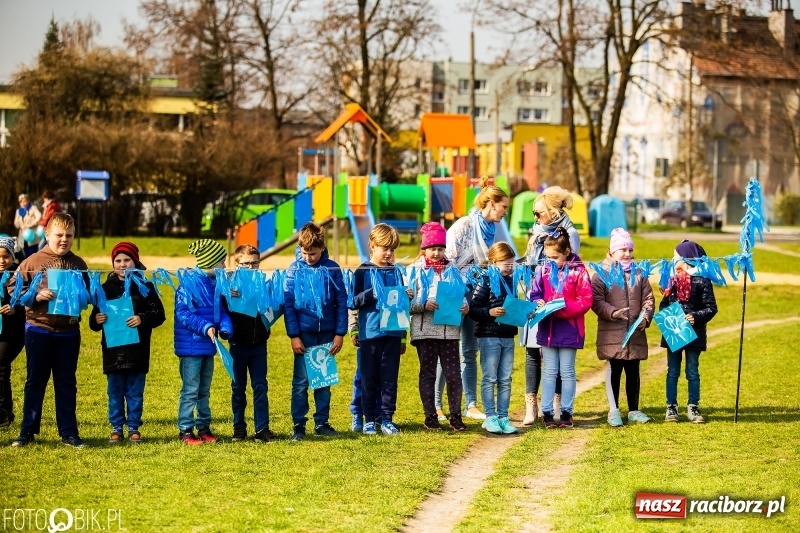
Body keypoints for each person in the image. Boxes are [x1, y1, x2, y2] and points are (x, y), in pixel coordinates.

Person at [10, 213, 90, 447]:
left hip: (69, 333)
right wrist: (34, 295)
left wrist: (83, 296)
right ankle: (27, 431)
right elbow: (14, 290)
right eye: (59, 235)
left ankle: (69, 432)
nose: (64, 240)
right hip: (39, 330)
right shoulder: (32, 261)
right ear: (47, 235)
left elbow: (89, 293)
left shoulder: (79, 264)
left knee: (66, 382)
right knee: (35, 381)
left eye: (69, 235)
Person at [442, 176, 510, 420]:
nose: (505, 212)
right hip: (452, 292)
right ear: (491, 204)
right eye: (503, 207)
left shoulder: (490, 230)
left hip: (475, 295)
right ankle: (438, 406)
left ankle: (470, 404)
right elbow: (446, 261)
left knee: (469, 350)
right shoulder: (464, 225)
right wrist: (467, 277)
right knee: (447, 348)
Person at [89, 242, 166, 443]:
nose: (123, 264)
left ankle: (133, 427)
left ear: (135, 261)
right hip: (113, 352)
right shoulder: (104, 289)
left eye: (127, 260)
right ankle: (116, 427)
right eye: (118, 261)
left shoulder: (146, 287)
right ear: (113, 264)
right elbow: (94, 320)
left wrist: (142, 318)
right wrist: (96, 319)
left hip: (137, 352)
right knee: (114, 391)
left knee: (134, 391)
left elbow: (159, 314)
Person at [521, 186, 581, 425]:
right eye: (534, 214)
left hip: (556, 302)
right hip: (536, 297)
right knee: (532, 350)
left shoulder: (568, 233)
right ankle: (531, 403)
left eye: (540, 213)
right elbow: (528, 262)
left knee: (555, 351)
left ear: (554, 211)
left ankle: (558, 403)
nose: (536, 218)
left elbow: (571, 268)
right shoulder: (537, 232)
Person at [283, 222, 347, 441]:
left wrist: (340, 333)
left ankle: (322, 423)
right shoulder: (294, 270)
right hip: (304, 334)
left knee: (323, 380)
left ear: (322, 248)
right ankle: (298, 426)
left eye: (312, 253)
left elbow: (341, 301)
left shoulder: (332, 268)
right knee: (300, 383)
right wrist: (294, 336)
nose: (308, 257)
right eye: (304, 253)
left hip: (327, 334)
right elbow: (289, 306)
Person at [529, 227, 592, 429]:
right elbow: (535, 292)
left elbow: (586, 300)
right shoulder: (543, 269)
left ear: (566, 252)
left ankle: (566, 412)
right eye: (547, 257)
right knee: (549, 371)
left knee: (567, 371)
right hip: (548, 329)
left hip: (569, 329)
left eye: (555, 257)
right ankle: (547, 412)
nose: (550, 260)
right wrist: (538, 303)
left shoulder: (578, 271)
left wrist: (561, 310)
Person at [590, 229, 654, 427]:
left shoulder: (640, 273)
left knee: (633, 371)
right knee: (614, 370)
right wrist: (613, 312)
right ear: (611, 250)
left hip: (635, 333)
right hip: (613, 332)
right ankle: (613, 409)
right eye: (622, 249)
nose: (627, 253)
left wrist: (646, 316)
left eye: (629, 249)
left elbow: (648, 299)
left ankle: (633, 409)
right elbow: (596, 301)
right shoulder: (601, 273)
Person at [410, 222, 469, 432]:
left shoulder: (453, 270)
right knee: (428, 373)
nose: (436, 253)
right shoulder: (414, 271)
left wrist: (465, 305)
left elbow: (462, 294)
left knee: (454, 374)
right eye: (432, 248)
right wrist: (422, 304)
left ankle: (456, 416)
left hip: (450, 331)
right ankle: (430, 416)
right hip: (425, 331)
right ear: (424, 249)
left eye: (440, 248)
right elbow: (404, 303)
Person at [174, 239, 232, 445]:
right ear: (210, 262)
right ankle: (186, 430)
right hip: (191, 348)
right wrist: (205, 327)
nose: (225, 266)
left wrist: (225, 327)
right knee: (190, 389)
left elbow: (221, 310)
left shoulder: (216, 284)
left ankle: (204, 427)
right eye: (222, 262)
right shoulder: (188, 285)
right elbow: (183, 313)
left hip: (208, 347)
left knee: (204, 390)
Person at [351, 223, 407, 436]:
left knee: (389, 377)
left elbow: (401, 308)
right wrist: (370, 294)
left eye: (392, 249)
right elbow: (352, 301)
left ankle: (386, 419)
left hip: (392, 333)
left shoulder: (397, 272)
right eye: (385, 248)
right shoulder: (362, 271)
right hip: (370, 333)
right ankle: (368, 419)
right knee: (368, 377)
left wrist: (402, 336)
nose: (389, 253)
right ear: (372, 246)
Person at [661, 239, 718, 424]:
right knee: (673, 371)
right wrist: (667, 317)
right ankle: (671, 406)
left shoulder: (702, 281)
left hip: (695, 334)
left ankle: (693, 406)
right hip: (675, 333)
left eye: (676, 256)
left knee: (692, 371)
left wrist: (696, 316)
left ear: (687, 259)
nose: (673, 260)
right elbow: (664, 304)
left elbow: (711, 307)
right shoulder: (672, 281)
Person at [469, 242, 519, 435]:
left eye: (512, 264)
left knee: (505, 379)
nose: (509, 267)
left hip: (508, 336)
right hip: (489, 336)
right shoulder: (485, 281)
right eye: (506, 263)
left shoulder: (512, 281)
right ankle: (490, 416)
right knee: (490, 377)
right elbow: (474, 309)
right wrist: (490, 312)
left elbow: (513, 305)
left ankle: (503, 417)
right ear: (494, 261)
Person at [227, 245, 274, 443]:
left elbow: (272, 307)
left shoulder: (264, 283)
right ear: (237, 264)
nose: (251, 267)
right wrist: (229, 293)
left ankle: (262, 428)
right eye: (246, 263)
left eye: (255, 263)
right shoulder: (229, 284)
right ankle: (239, 428)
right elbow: (221, 308)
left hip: (259, 346)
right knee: (238, 388)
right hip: (238, 345)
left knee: (260, 386)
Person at [0, 237, 25, 428]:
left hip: (13, 333)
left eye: (6, 256)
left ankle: (3, 413)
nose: (2, 261)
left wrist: (14, 309)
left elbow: (29, 302)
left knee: (1, 365)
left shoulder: (19, 276)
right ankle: (6, 413)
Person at [13, 194, 42, 259]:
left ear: (28, 201)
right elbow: (16, 222)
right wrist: (20, 225)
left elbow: (39, 216)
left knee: (32, 252)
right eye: (21, 202)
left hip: (32, 234)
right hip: (23, 235)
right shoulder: (18, 211)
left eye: (25, 201)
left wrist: (31, 224)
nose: (23, 203)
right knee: (24, 252)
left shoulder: (33, 208)